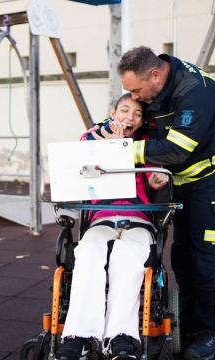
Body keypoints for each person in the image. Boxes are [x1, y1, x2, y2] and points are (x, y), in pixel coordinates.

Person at [109, 46, 215, 360]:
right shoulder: (154, 90)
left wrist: (121, 152)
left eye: (135, 90)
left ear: (155, 75)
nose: (134, 97)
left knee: (208, 257)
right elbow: (139, 130)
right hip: (184, 181)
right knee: (183, 255)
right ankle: (187, 324)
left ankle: (211, 333)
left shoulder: (195, 93)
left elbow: (176, 150)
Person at [57, 94, 156, 360]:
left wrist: (156, 177)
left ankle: (120, 337)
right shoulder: (91, 138)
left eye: (137, 114)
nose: (130, 118)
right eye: (124, 110)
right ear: (112, 111)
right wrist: (110, 150)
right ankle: (80, 335)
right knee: (87, 253)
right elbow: (75, 169)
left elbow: (157, 179)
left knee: (127, 256)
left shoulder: (146, 143)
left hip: (139, 217)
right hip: (101, 218)